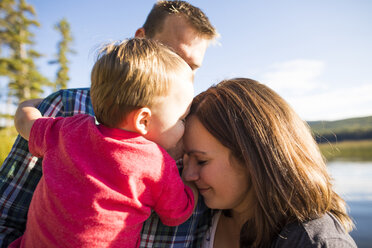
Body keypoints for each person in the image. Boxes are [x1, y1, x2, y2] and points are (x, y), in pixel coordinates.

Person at [0, 1, 217, 247]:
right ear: (141, 39)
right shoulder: (66, 108)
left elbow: (28, 123)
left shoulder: (69, 129)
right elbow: (5, 216)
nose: (182, 74)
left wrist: (26, 107)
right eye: (172, 58)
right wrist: (191, 177)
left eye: (192, 67)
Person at [182, 78, 357, 248]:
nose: (188, 175)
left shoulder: (313, 242)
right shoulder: (202, 214)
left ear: (250, 158)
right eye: (186, 160)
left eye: (202, 161)